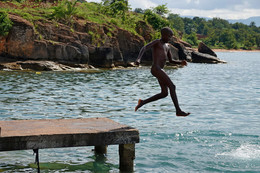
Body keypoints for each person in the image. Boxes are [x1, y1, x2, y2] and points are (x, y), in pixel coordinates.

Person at [134, 27, 190, 116]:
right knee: (172, 86)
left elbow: (171, 61)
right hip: (156, 68)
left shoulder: (167, 46)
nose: (170, 38)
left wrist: (181, 62)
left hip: (160, 69)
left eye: (171, 36)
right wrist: (138, 59)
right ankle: (178, 111)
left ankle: (142, 102)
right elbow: (144, 48)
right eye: (169, 36)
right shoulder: (157, 42)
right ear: (163, 35)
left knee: (164, 93)